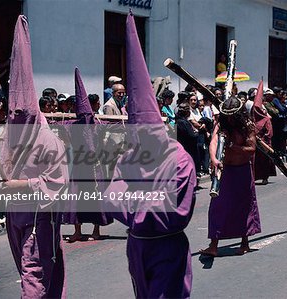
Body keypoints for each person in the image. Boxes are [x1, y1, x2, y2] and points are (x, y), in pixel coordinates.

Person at [103, 14, 196, 298]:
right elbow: (111, 195)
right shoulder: (129, 155)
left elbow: (174, 209)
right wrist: (142, 203)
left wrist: (133, 204)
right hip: (137, 245)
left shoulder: (179, 159)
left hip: (167, 246)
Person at [0, 16, 68, 298]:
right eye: (13, 114)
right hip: (14, 220)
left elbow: (58, 182)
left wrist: (19, 185)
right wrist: (0, 185)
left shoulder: (48, 139)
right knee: (32, 274)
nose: (18, 119)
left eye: (24, 115)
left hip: (38, 221)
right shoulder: (8, 138)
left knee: (34, 276)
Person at [200, 95, 261, 257]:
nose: (229, 118)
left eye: (231, 115)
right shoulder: (221, 124)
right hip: (225, 171)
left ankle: (245, 243)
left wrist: (233, 146)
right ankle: (213, 245)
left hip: (242, 171)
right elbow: (214, 141)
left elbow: (251, 149)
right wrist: (214, 160)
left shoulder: (248, 126)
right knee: (217, 207)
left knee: (244, 206)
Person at [62, 68, 113, 242]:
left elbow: (119, 124)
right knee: (78, 198)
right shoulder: (73, 123)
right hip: (80, 166)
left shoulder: (96, 122)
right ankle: (79, 231)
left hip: (94, 165)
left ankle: (95, 230)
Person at [252, 80, 276, 185]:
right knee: (255, 161)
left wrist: (264, 140)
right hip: (255, 143)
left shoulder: (266, 119)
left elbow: (269, 132)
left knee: (265, 161)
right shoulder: (252, 119)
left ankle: (265, 177)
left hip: (264, 143)